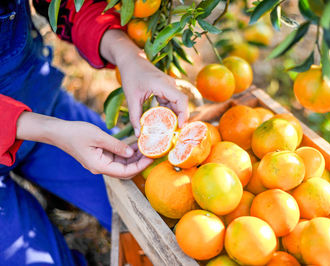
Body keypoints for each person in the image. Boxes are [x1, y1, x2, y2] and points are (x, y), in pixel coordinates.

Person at [0, 0, 189, 265]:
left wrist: (127, 55)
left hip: (38, 102)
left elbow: (66, 4)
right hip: (47, 126)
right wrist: (51, 132)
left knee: (149, 207)